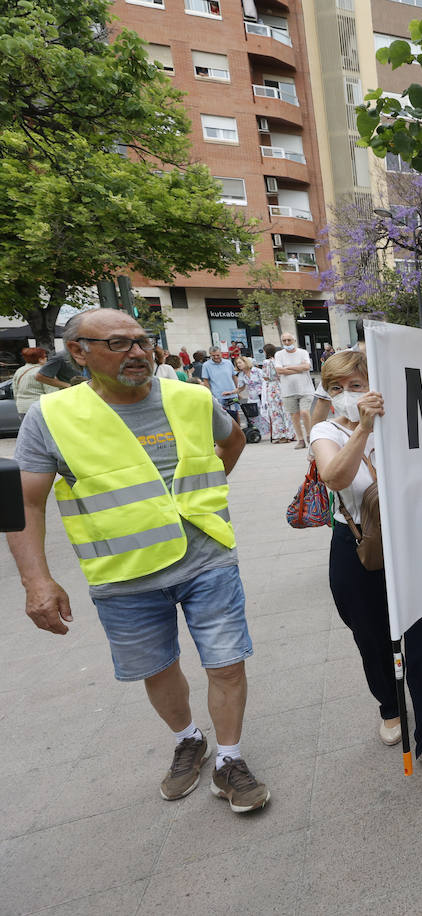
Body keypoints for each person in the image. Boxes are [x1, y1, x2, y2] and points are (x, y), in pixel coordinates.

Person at [6, 310, 268, 812]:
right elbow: (27, 502)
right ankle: (188, 739)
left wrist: (207, 497)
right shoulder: (51, 416)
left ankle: (229, 760)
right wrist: (36, 581)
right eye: (118, 344)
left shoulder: (191, 396)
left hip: (207, 561)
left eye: (142, 342)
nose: (137, 353)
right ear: (78, 352)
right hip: (123, 575)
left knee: (227, 663)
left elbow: (231, 440)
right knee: (157, 668)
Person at [309, 352, 422, 786]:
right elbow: (334, 476)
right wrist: (363, 430)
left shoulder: (409, 421)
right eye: (336, 388)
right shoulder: (326, 429)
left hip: (415, 545)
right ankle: (390, 707)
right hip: (358, 548)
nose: (346, 396)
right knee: (372, 640)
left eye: (356, 385)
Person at [273, 333, 313, 449]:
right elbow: (279, 370)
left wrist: (288, 367)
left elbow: (306, 367)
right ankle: (300, 439)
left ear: (294, 340)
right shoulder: (279, 354)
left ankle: (310, 435)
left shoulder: (302, 352)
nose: (286, 343)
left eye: (289, 340)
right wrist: (297, 368)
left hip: (305, 389)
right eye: (284, 340)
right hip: (288, 390)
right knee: (294, 415)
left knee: (305, 412)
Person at [258, 344, 295, 443]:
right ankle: (290, 433)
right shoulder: (279, 361)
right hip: (282, 386)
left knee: (275, 412)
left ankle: (280, 435)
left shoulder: (266, 362)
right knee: (286, 411)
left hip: (272, 387)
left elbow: (265, 376)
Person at [200, 348, 240, 423]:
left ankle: (238, 432)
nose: (216, 357)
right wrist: (210, 395)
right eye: (213, 356)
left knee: (236, 415)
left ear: (221, 354)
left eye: (217, 355)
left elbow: (234, 377)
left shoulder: (228, 363)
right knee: (222, 419)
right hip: (218, 396)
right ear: (210, 355)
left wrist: (238, 390)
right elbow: (206, 381)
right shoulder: (206, 365)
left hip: (232, 395)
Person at [12, 347, 48, 417]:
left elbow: (15, 391)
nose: (47, 359)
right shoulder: (44, 371)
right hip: (40, 408)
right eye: (45, 356)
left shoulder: (19, 371)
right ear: (40, 359)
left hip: (22, 408)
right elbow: (51, 393)